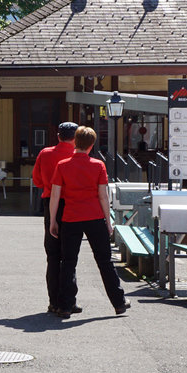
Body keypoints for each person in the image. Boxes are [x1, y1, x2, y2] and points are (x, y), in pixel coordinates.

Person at [49, 126, 129, 317]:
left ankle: (65, 306)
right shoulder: (98, 165)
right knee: (104, 261)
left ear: (75, 142)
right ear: (92, 145)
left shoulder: (62, 165)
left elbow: (55, 195)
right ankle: (118, 303)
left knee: (68, 262)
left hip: (70, 217)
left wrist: (53, 220)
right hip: (94, 217)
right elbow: (103, 196)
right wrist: (108, 221)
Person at [32, 121, 78, 316]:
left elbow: (37, 180)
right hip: (73, 205)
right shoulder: (77, 156)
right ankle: (68, 301)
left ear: (58, 136)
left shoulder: (45, 154)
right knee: (70, 257)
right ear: (76, 138)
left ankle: (53, 302)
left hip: (51, 203)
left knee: (53, 256)